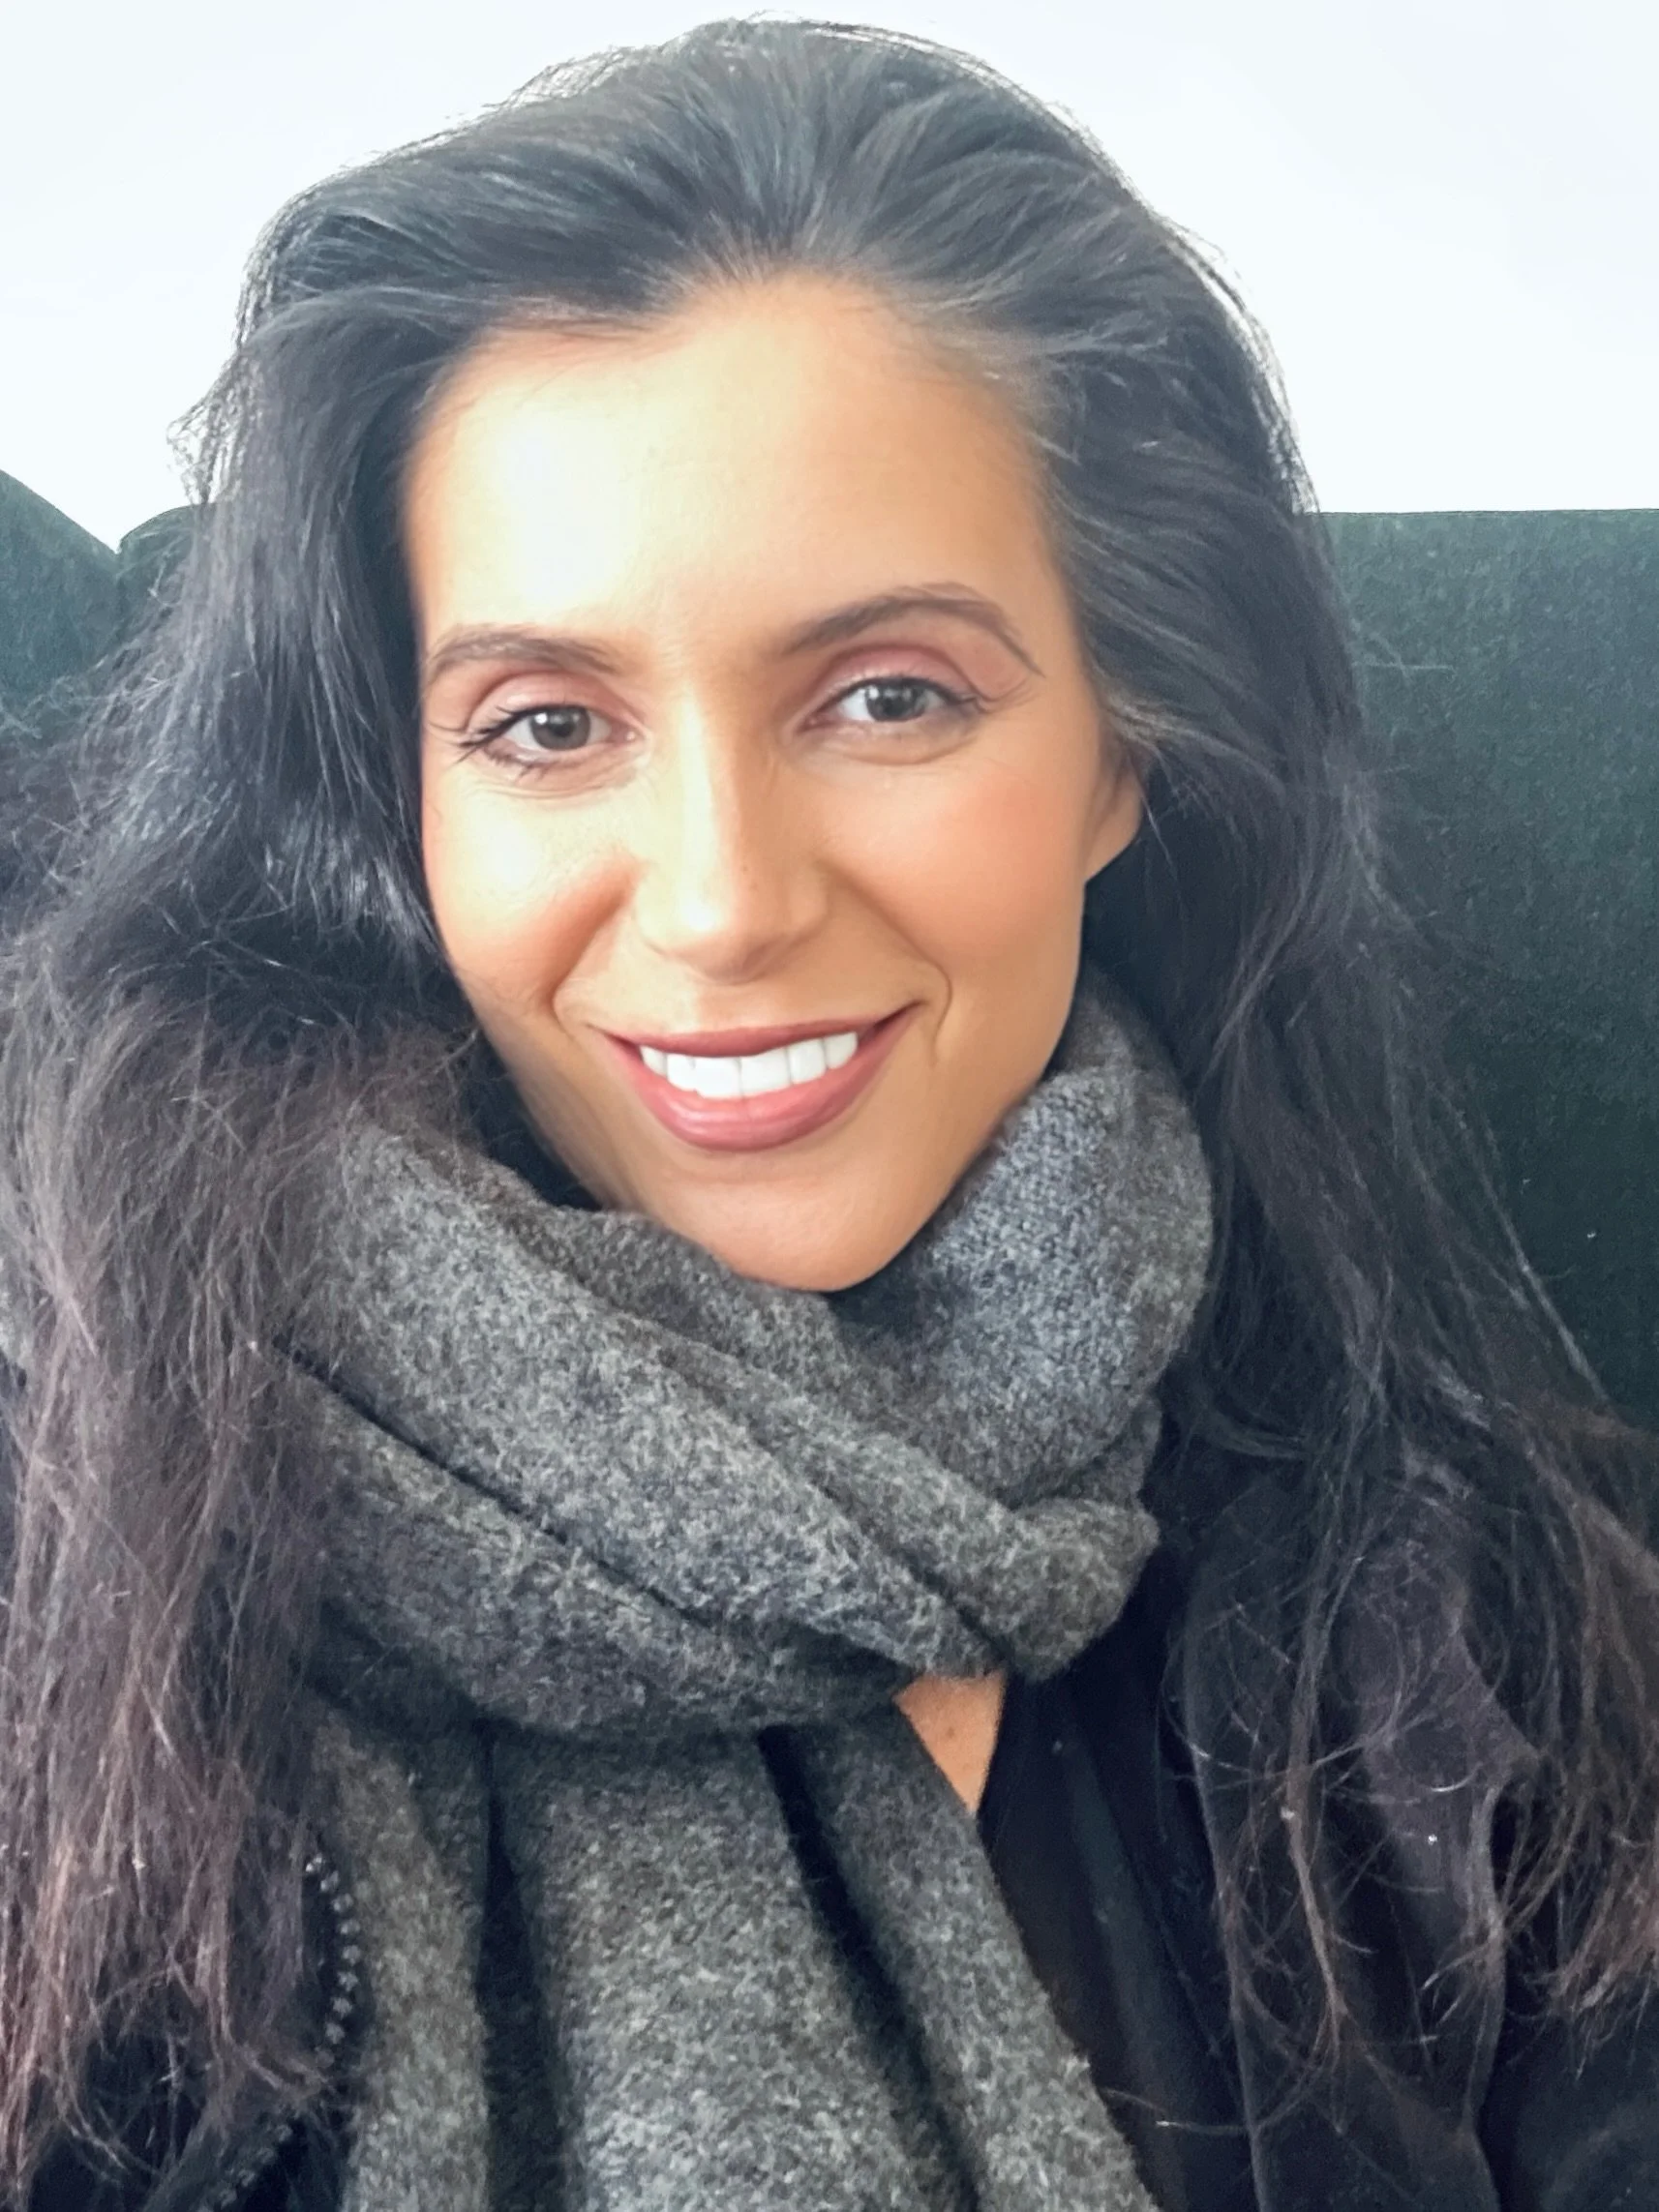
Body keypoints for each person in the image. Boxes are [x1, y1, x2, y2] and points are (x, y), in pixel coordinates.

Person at [2, 18, 1657, 2212]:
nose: (721, 902)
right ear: (398, 804)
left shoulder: (1479, 1625)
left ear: (1126, 748)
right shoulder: (100, 1510)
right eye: (545, 725)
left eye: (886, 696)